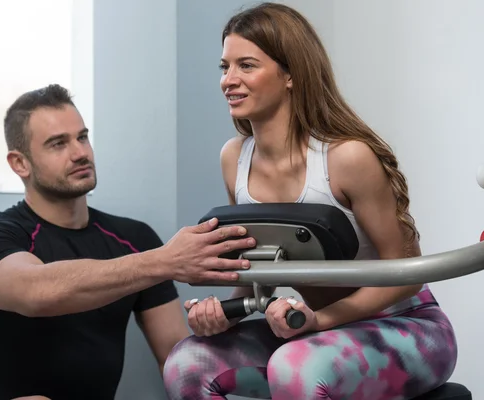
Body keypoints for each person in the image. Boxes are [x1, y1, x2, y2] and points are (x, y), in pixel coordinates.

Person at [162, 3, 458, 399]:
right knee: (187, 362)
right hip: (313, 328)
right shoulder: (234, 159)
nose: (228, 80)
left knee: (294, 366)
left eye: (246, 65)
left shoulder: (346, 158)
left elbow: (409, 273)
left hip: (406, 327)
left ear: (290, 74)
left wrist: (319, 320)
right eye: (224, 67)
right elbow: (255, 269)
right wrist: (222, 314)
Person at [0, 84, 256, 400]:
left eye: (82, 137)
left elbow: (173, 353)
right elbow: (37, 292)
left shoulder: (134, 239)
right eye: (58, 144)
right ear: (20, 163)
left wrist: (214, 322)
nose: (80, 153)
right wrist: (164, 260)